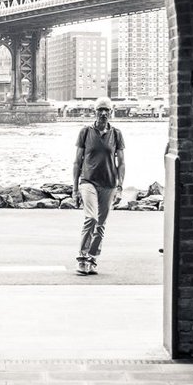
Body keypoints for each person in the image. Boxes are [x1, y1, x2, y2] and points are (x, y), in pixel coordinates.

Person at [73, 96, 125, 276]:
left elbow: (122, 163)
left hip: (109, 184)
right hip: (88, 182)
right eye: (100, 110)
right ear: (94, 112)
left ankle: (92, 258)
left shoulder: (117, 134)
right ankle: (82, 257)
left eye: (106, 110)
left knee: (101, 224)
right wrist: (74, 188)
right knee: (92, 218)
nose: (103, 113)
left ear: (111, 112)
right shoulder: (85, 132)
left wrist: (120, 186)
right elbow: (77, 162)